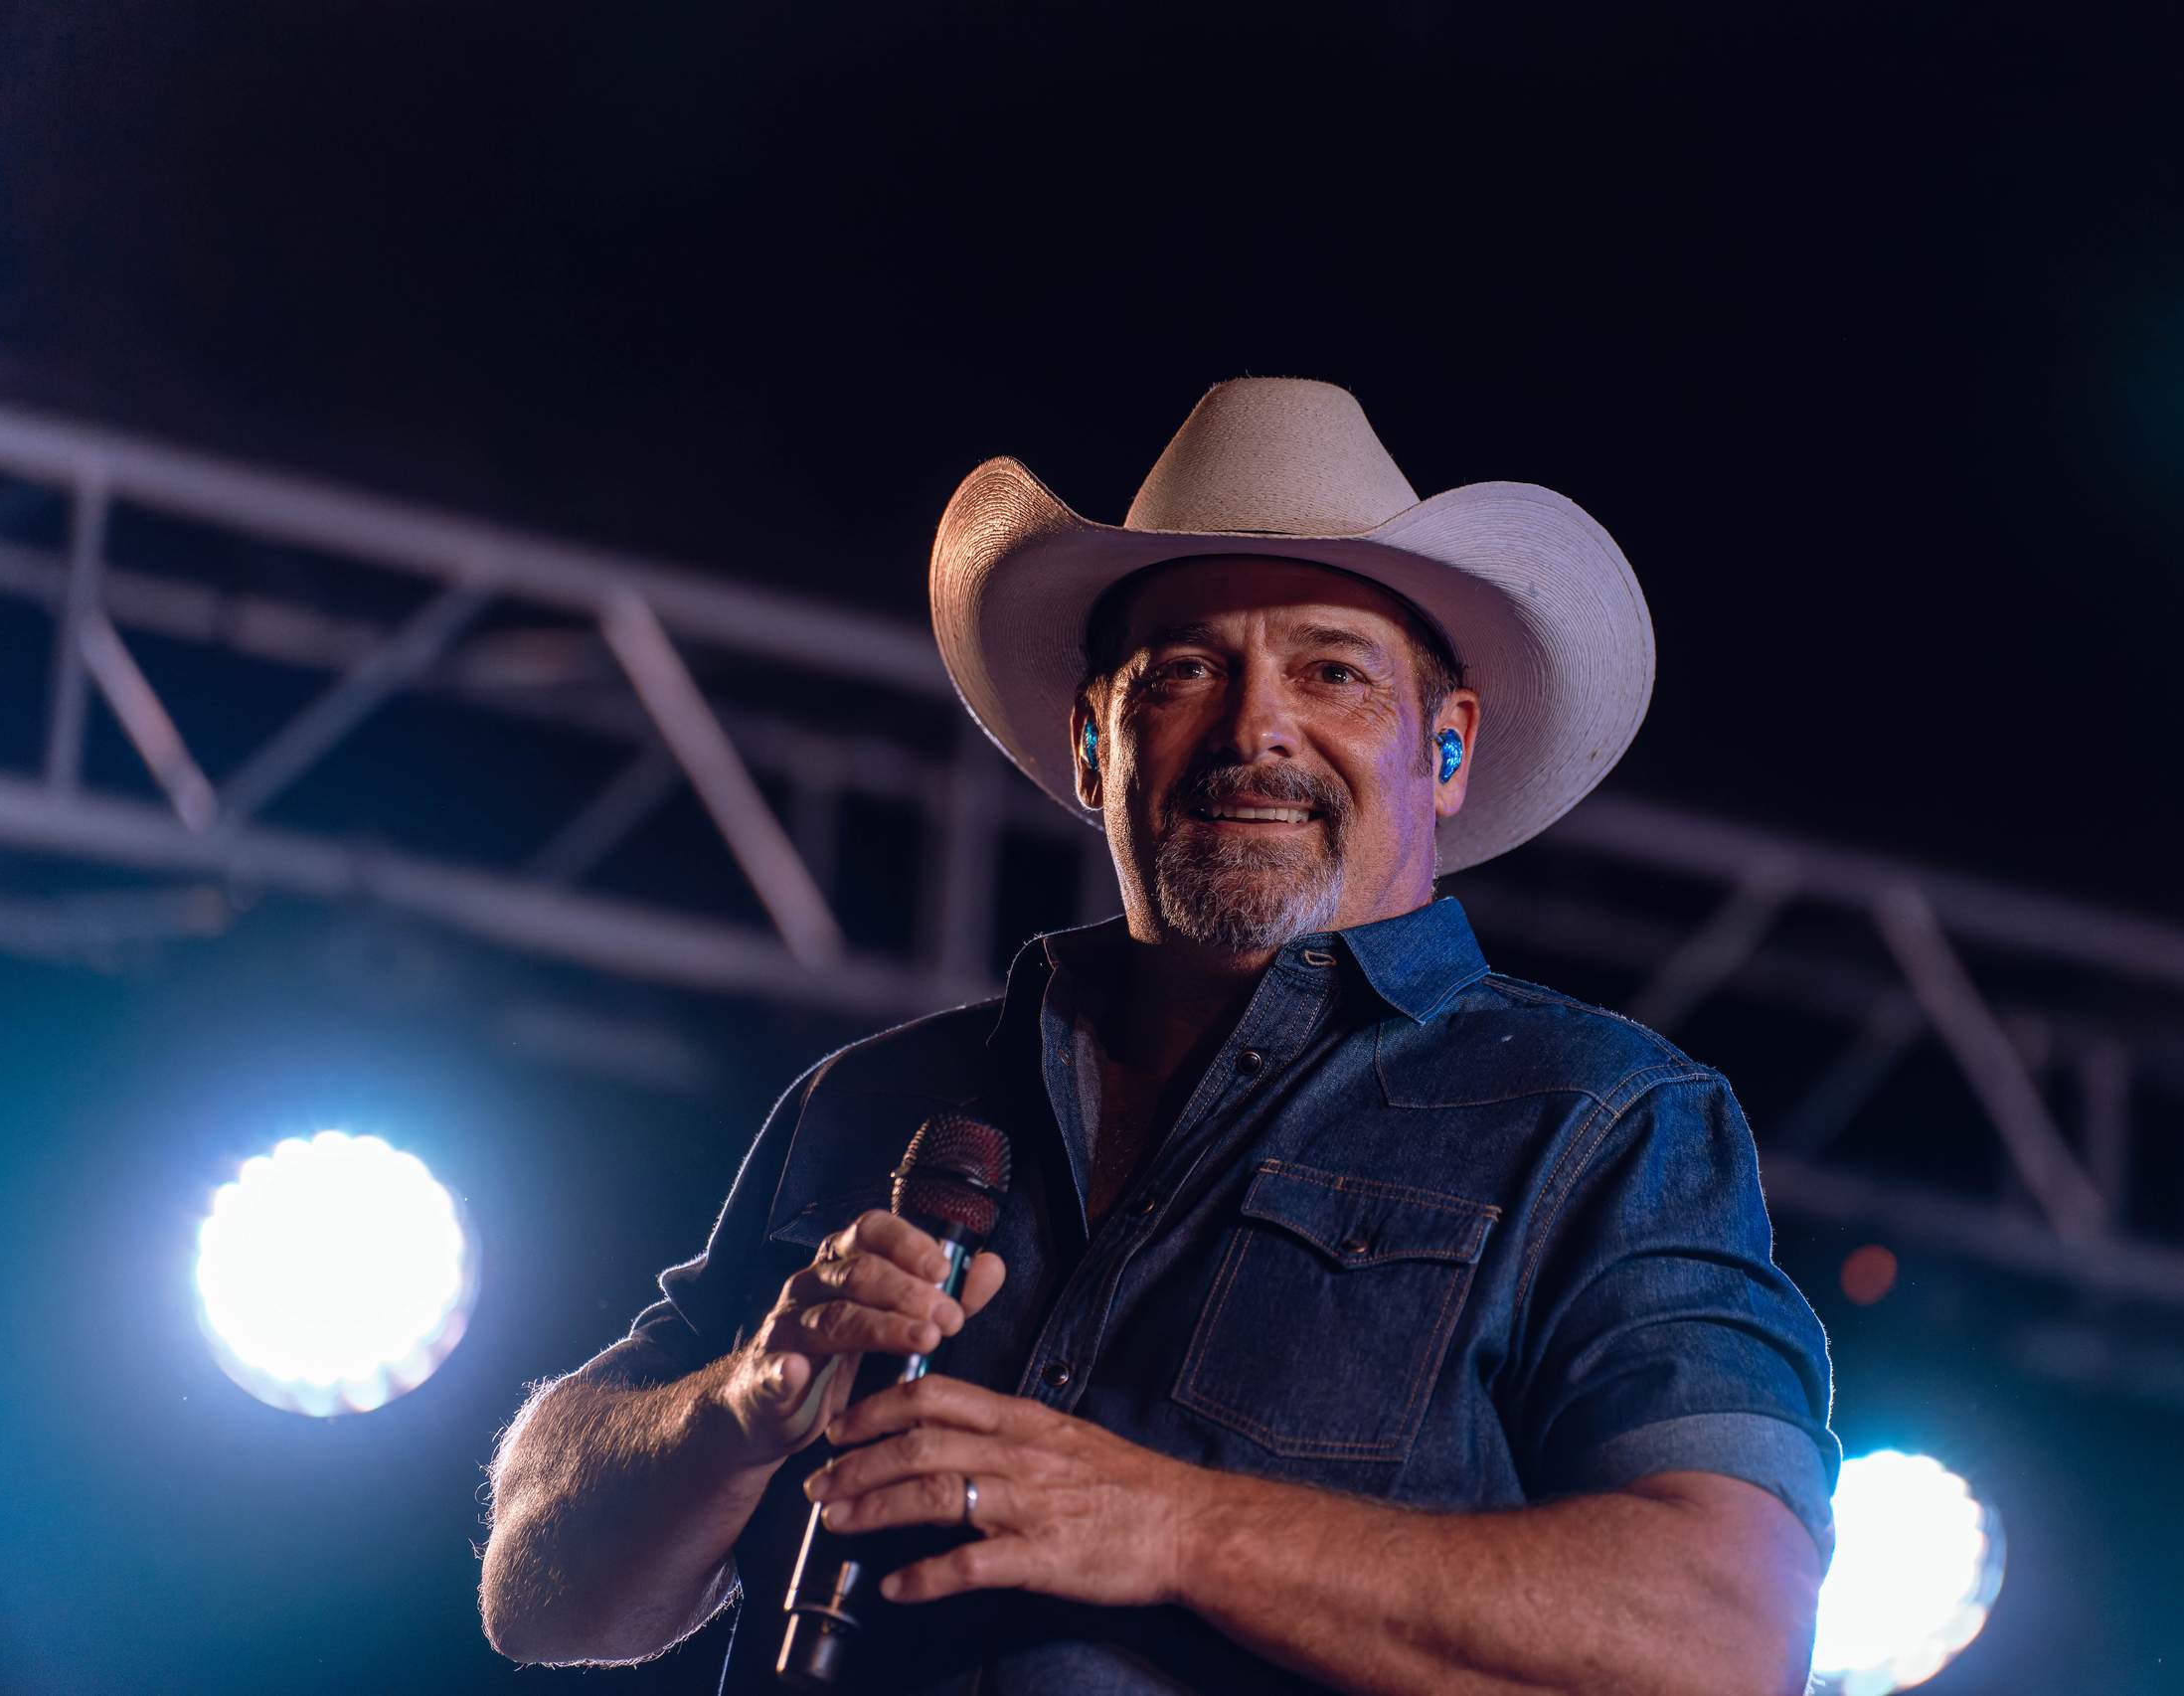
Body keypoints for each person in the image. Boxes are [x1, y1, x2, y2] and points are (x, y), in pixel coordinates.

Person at [479, 378, 1838, 1694]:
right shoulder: (878, 1098)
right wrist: (739, 1405)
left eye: (1334, 671)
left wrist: (1171, 1524)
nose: (1257, 728)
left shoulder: (1601, 1115)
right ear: (1092, 743)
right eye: (1186, 668)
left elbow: (1718, 1632)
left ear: (1445, 747)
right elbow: (533, 1588)